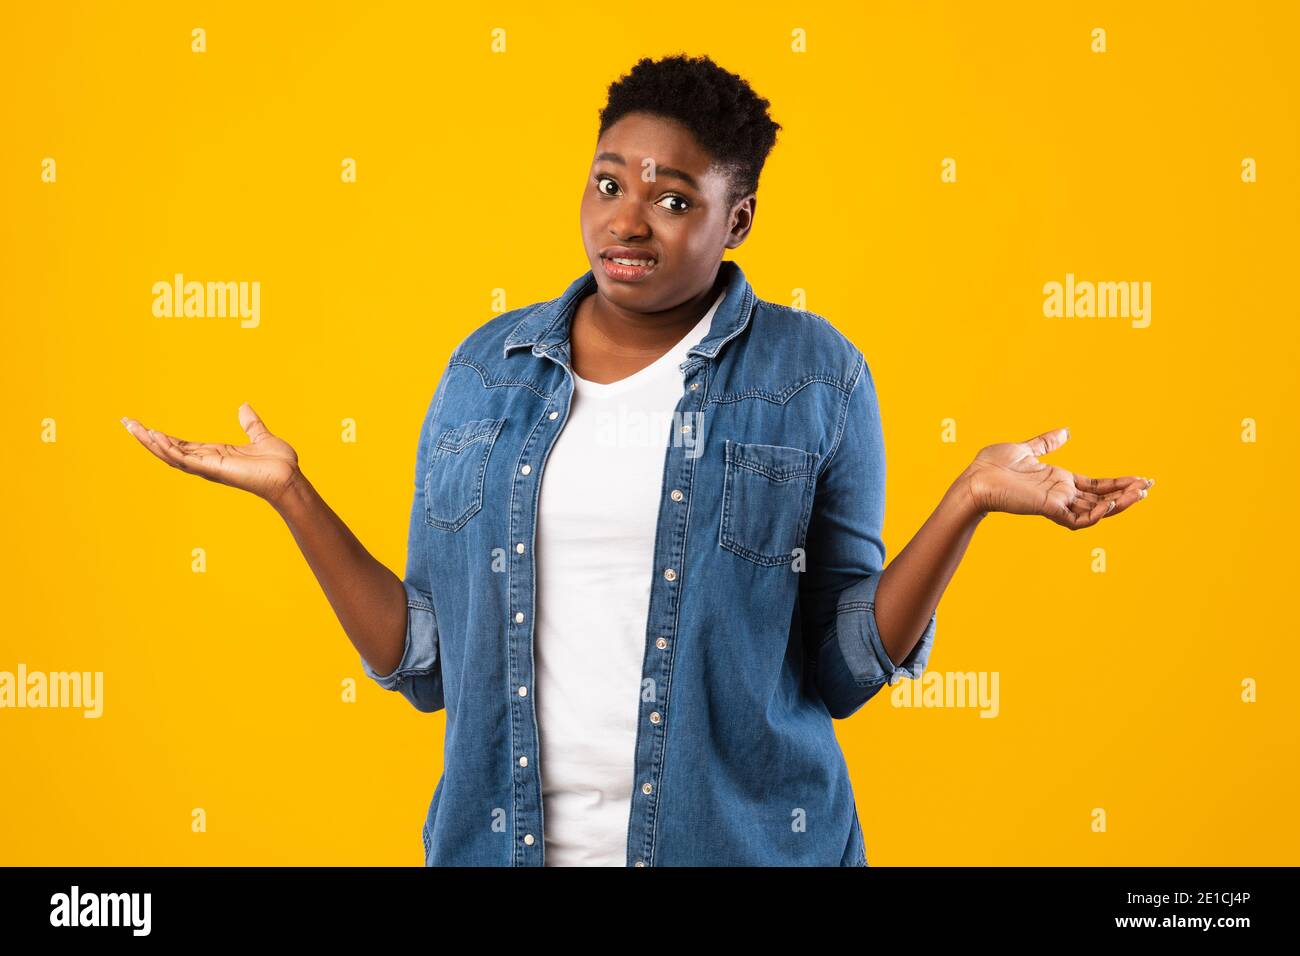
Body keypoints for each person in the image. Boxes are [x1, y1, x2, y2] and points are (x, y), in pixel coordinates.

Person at [121, 53, 1154, 866]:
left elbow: (843, 667)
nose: (624, 218)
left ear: (734, 217)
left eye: (669, 197)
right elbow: (425, 660)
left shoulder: (814, 372)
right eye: (607, 182)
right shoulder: (485, 370)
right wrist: (293, 495)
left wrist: (967, 496)